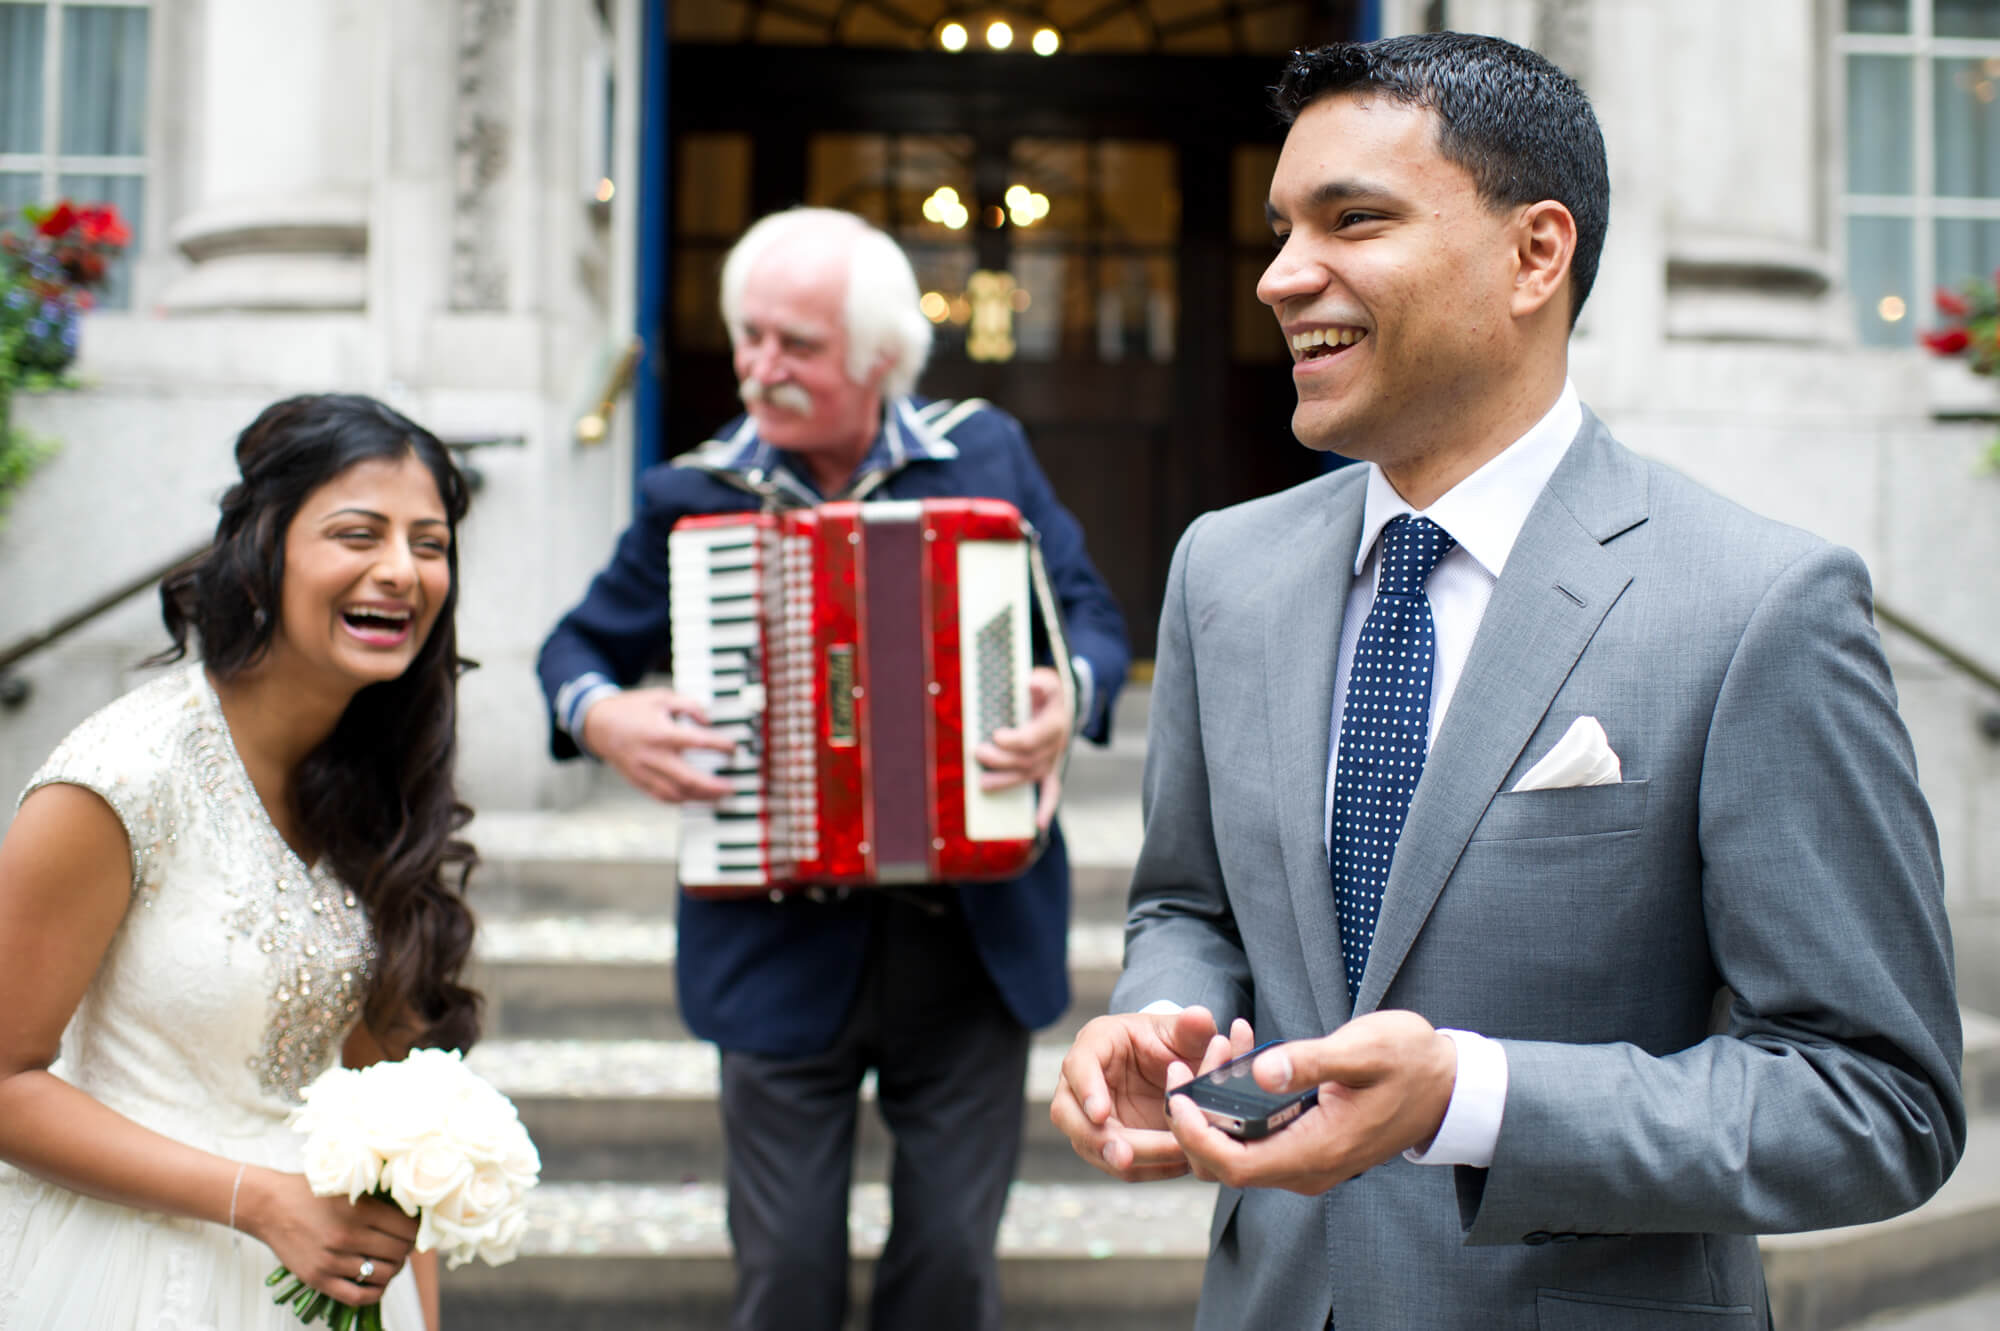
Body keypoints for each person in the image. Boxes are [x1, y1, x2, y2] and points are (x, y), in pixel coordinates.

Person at [1051, 32, 1963, 1331]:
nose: (1279, 276)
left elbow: (1879, 1099)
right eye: (1279, 229)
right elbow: (1192, 901)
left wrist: (1474, 1095)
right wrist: (1161, 1020)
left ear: (1538, 253)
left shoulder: (1758, 602)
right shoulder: (1223, 570)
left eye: (1351, 220)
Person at [537, 206, 1129, 1331]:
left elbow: (1089, 616)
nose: (759, 367)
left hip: (968, 939)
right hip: (772, 937)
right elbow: (572, 649)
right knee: (784, 1280)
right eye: (748, 334)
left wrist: (1071, 696)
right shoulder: (693, 495)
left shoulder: (984, 453)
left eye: (794, 346)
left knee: (951, 1271)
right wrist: (605, 715)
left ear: (877, 362)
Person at [0, 394, 482, 1330]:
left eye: (430, 544)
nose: (401, 570)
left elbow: (389, 1104)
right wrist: (257, 1198)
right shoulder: (120, 778)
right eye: (358, 533)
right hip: (125, 1278)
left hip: (319, 1288)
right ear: (263, 552)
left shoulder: (376, 782)